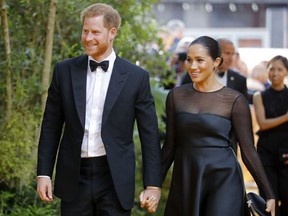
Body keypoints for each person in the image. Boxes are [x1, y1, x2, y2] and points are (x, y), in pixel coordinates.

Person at [36, 3, 161, 215]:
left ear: (112, 33)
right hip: (74, 175)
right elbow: (50, 126)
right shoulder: (63, 71)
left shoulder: (136, 77)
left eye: (95, 32)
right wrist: (44, 173)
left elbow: (149, 134)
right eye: (85, 31)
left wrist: (153, 185)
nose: (87, 38)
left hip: (114, 177)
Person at [161, 36, 275, 216]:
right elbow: (169, 146)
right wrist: (153, 185)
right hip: (188, 177)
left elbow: (248, 150)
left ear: (216, 62)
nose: (192, 66)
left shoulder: (235, 100)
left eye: (200, 60)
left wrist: (268, 194)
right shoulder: (176, 96)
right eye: (189, 60)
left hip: (224, 178)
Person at [253, 55, 288, 216]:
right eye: (271, 69)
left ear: (286, 72)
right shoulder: (259, 96)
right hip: (266, 152)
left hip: (286, 152)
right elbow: (263, 123)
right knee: (268, 198)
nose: (275, 73)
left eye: (280, 69)